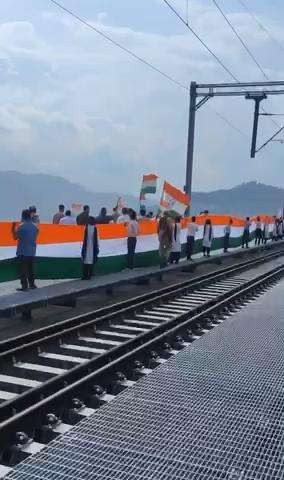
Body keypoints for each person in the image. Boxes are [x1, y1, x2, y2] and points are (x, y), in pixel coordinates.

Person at [12, 209, 39, 291]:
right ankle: (32, 285)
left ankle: (24, 287)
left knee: (23, 270)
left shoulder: (20, 227)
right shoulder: (35, 226)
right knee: (31, 269)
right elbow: (36, 235)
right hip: (32, 251)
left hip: (23, 252)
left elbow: (15, 237)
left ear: (23, 216)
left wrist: (13, 228)